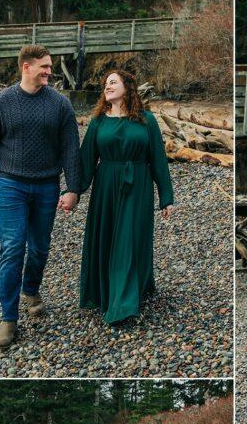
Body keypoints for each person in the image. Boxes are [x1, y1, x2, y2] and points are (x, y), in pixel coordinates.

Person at [0, 44, 80, 348]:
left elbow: (70, 149)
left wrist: (72, 188)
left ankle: (31, 289)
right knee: (12, 248)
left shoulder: (60, 105)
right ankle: (9, 319)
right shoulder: (1, 102)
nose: (50, 71)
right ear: (26, 67)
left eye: (50, 66)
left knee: (39, 248)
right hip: (9, 185)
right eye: (45, 66)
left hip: (47, 186)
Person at [74, 69, 174, 324]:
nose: (107, 87)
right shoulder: (98, 121)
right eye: (106, 83)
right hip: (106, 185)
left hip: (137, 184)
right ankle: (108, 291)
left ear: (127, 88)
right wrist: (73, 191)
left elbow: (158, 160)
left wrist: (166, 197)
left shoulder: (146, 120)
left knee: (129, 238)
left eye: (113, 82)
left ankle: (123, 304)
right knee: (109, 236)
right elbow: (86, 161)